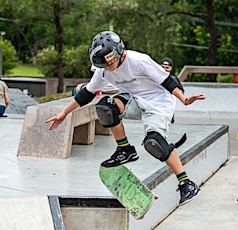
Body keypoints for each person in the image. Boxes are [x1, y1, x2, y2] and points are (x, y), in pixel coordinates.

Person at [46, 31, 205, 205]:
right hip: (135, 100)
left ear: (118, 52)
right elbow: (87, 93)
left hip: (159, 105)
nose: (109, 68)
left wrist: (183, 99)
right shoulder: (103, 71)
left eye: (111, 63)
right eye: (105, 66)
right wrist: (64, 113)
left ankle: (186, 183)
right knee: (106, 107)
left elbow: (167, 80)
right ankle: (125, 150)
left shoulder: (139, 60)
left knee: (154, 143)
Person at [160, 57, 183, 123]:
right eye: (163, 67)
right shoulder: (155, 78)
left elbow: (181, 91)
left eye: (167, 68)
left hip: (168, 105)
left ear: (171, 68)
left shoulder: (173, 79)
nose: (164, 69)